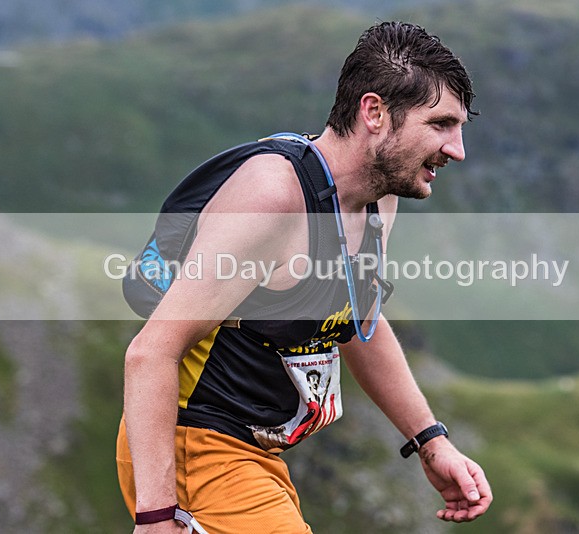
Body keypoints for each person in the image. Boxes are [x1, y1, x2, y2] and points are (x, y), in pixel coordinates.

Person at [116, 21, 492, 533]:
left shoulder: (378, 198)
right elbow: (149, 353)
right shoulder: (274, 199)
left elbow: (355, 319)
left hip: (254, 453)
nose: (457, 149)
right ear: (375, 112)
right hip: (193, 446)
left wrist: (430, 441)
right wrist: (155, 518)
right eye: (441, 124)